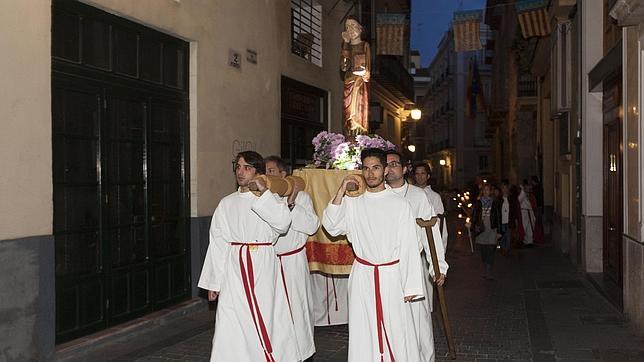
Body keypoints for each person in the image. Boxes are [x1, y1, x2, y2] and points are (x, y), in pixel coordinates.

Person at [322, 148, 423, 362]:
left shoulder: (400, 204)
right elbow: (331, 226)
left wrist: (411, 285)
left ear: (385, 170)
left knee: (396, 328)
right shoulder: (353, 204)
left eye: (376, 168)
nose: (370, 174)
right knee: (363, 329)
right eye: (366, 168)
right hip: (363, 276)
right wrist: (341, 190)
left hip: (392, 276)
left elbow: (409, 246)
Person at [198, 151, 299, 362]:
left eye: (247, 167)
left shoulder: (272, 199)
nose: (241, 172)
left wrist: (264, 196)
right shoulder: (226, 203)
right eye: (238, 167)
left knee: (267, 315)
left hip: (263, 265)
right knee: (233, 319)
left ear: (258, 173)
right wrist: (214, 283)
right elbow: (218, 243)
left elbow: (282, 224)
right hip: (235, 269)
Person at [385, 150, 448, 362]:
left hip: (412, 266)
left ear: (404, 169)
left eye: (394, 164)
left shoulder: (418, 196)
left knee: (418, 321)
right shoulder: (376, 195)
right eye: (386, 164)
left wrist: (438, 267)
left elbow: (431, 235)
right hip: (385, 270)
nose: (389, 167)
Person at [265, 156, 319, 361]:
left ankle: (302, 354)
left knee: (297, 311)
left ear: (282, 175)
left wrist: (291, 202)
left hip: (292, 263)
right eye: (265, 170)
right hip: (268, 263)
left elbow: (311, 226)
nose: (267, 174)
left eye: (271, 171)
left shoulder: (302, 197)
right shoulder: (262, 198)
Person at [341, 16, 371, 137]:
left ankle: (359, 138)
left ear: (360, 28)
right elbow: (343, 67)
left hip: (360, 85)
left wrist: (363, 72)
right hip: (348, 83)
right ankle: (348, 137)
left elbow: (367, 70)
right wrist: (346, 44)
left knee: (358, 112)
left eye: (353, 25)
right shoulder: (345, 46)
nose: (350, 29)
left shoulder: (365, 45)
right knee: (347, 115)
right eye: (347, 27)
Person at [413, 163, 448, 251]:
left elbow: (440, 222)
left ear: (428, 176)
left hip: (429, 239)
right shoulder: (410, 194)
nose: (420, 176)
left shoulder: (435, 197)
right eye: (417, 174)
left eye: (422, 173)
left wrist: (441, 247)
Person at [471, 184, 501, 280]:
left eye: (488, 190)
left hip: (492, 229)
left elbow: (498, 217)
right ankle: (486, 266)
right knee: (483, 250)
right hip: (482, 229)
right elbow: (474, 216)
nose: (486, 192)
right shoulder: (478, 203)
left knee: (491, 249)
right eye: (484, 190)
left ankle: (488, 270)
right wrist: (471, 225)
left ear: (490, 191)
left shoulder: (495, 203)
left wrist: (499, 231)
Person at [517, 179, 536, 247]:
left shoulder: (531, 196)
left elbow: (534, 205)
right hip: (523, 212)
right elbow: (519, 200)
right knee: (523, 227)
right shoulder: (522, 195)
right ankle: (521, 241)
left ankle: (529, 241)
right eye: (527, 188)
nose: (528, 189)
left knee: (530, 227)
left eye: (529, 188)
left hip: (530, 213)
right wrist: (522, 191)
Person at [499, 180, 514, 256]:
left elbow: (513, 210)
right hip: (501, 221)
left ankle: (506, 250)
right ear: (501, 189)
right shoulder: (499, 199)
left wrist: (515, 219)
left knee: (508, 237)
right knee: (502, 237)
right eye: (503, 188)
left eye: (506, 188)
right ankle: (503, 249)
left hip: (508, 221)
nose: (504, 189)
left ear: (508, 189)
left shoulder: (511, 199)